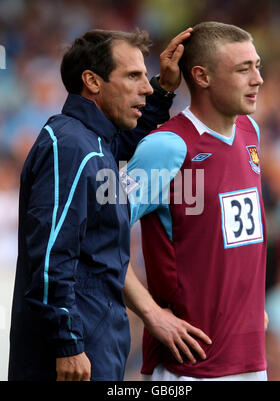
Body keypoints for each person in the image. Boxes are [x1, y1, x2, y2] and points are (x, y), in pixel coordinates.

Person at [8, 27, 193, 381]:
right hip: (74, 357)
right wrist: (69, 345)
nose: (147, 87)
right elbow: (51, 257)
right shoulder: (70, 147)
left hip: (96, 343)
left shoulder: (94, 142)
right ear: (92, 81)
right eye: (134, 76)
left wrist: (166, 90)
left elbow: (128, 141)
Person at [124, 21, 268, 381]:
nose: (258, 79)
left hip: (251, 358)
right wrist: (151, 314)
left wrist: (253, 306)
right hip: (189, 366)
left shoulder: (250, 131)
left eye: (258, 66)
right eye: (243, 69)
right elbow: (95, 234)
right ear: (202, 76)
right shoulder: (168, 146)